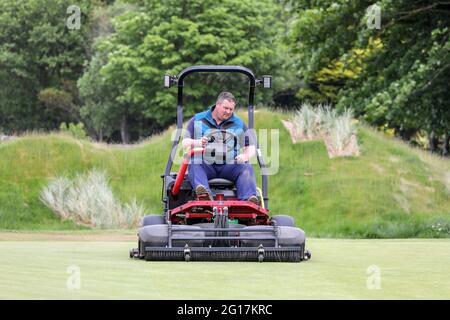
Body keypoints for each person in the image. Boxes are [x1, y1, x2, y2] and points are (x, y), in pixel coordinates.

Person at [182, 91, 259, 204]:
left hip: (230, 165)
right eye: (225, 108)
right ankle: (204, 195)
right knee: (194, 162)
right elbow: (185, 143)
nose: (228, 112)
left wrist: (246, 155)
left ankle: (248, 201)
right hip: (206, 163)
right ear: (217, 105)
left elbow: (251, 147)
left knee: (246, 167)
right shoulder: (198, 119)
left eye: (231, 109)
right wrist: (198, 142)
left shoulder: (239, 123)